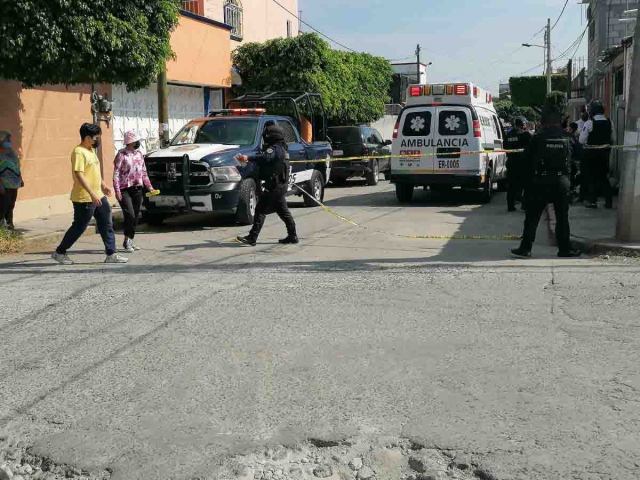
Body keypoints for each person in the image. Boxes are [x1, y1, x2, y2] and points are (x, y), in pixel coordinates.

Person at [511, 99, 581, 259]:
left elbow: (525, 160)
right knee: (562, 217)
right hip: (562, 181)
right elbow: (579, 154)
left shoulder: (537, 138)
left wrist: (527, 184)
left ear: (545, 122)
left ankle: (525, 248)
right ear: (559, 121)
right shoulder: (568, 136)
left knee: (532, 217)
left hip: (540, 181)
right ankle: (564, 249)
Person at [52, 123, 128, 265]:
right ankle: (59, 252)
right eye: (96, 138)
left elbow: (94, 173)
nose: (97, 140)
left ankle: (111, 254)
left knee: (106, 223)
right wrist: (91, 194)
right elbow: (79, 175)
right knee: (79, 226)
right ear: (87, 137)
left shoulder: (90, 150)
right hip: (84, 197)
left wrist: (103, 186)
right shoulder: (78, 152)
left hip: (98, 195)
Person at [236, 124, 298, 246]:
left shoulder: (275, 149)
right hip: (280, 186)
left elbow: (265, 157)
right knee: (283, 212)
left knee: (260, 210)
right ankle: (293, 235)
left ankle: (252, 238)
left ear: (272, 136)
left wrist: (248, 157)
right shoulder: (284, 149)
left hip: (274, 186)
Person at [113, 131, 153, 253]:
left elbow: (144, 172)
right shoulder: (121, 154)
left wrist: (149, 187)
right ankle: (128, 240)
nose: (137, 143)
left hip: (137, 188)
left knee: (135, 216)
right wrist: (117, 190)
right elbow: (116, 174)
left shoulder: (139, 154)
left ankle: (129, 240)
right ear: (129, 142)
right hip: (124, 189)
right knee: (129, 214)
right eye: (135, 141)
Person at [579, 100, 613, 209]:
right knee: (604, 177)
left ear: (592, 111)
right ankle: (609, 201)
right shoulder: (609, 122)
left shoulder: (589, 123)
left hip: (592, 154)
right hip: (605, 154)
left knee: (592, 177)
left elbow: (582, 140)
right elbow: (614, 139)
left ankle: (593, 201)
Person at [504, 117, 532, 212]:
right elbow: (532, 148)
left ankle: (510, 206)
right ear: (523, 124)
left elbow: (505, 148)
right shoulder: (526, 135)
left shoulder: (509, 135)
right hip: (523, 164)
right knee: (527, 186)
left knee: (511, 186)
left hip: (511, 163)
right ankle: (525, 205)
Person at [0, 131, 23, 230]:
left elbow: (16, 165)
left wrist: (20, 178)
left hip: (14, 183)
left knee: (11, 206)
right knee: (3, 207)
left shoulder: (11, 151)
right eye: (7, 139)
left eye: (9, 139)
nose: (9, 142)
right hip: (4, 185)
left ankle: (10, 226)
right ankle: (2, 229)